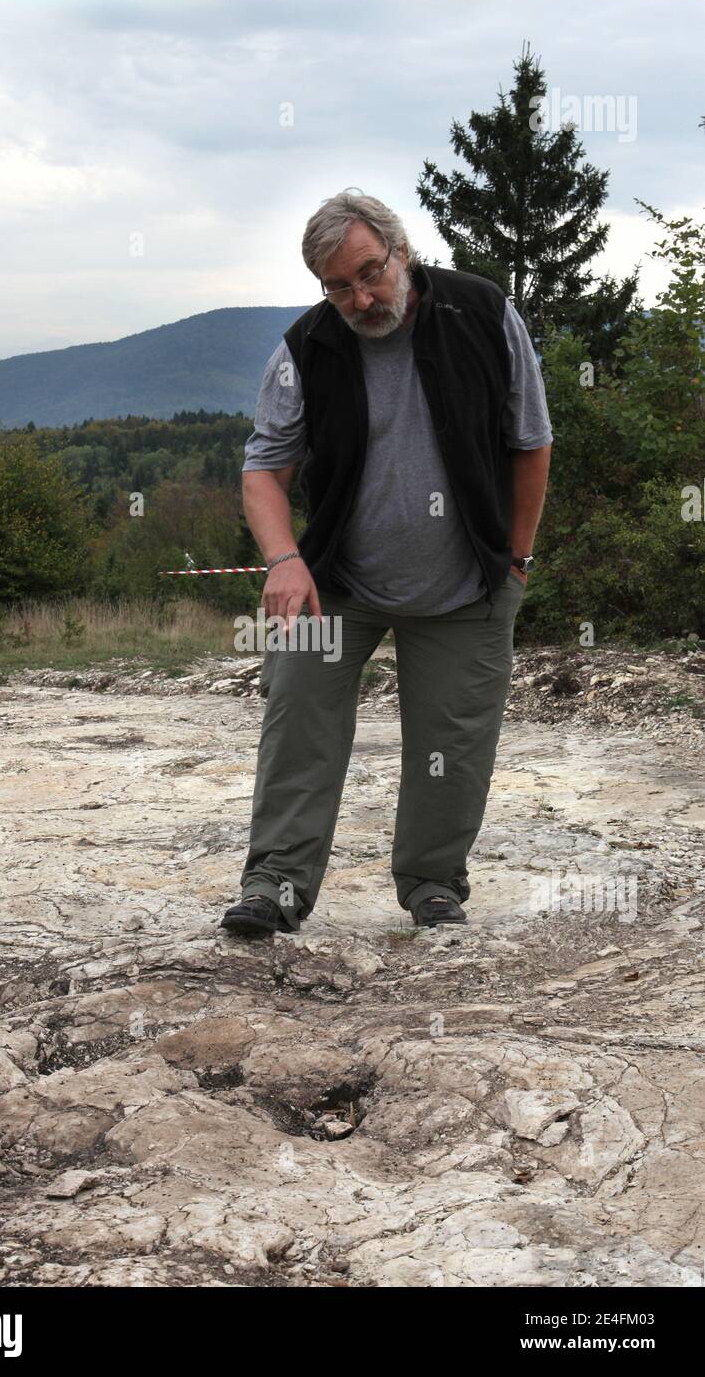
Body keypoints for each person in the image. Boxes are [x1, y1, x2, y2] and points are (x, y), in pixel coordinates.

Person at [221, 189, 552, 938]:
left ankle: (433, 883)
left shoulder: (484, 314)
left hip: (466, 581)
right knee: (297, 719)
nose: (362, 297)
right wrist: (284, 559)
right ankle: (275, 882)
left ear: (403, 252)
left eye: (372, 272)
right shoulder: (306, 348)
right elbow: (263, 469)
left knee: (452, 742)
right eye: (340, 286)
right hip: (332, 581)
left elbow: (531, 440)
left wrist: (517, 558)